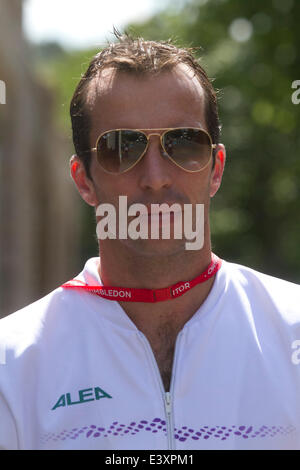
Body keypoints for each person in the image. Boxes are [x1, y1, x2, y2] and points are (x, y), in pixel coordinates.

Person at [1, 32, 300, 451]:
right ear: (83, 179)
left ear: (215, 169)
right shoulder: (10, 368)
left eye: (183, 143)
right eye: (122, 147)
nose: (156, 177)